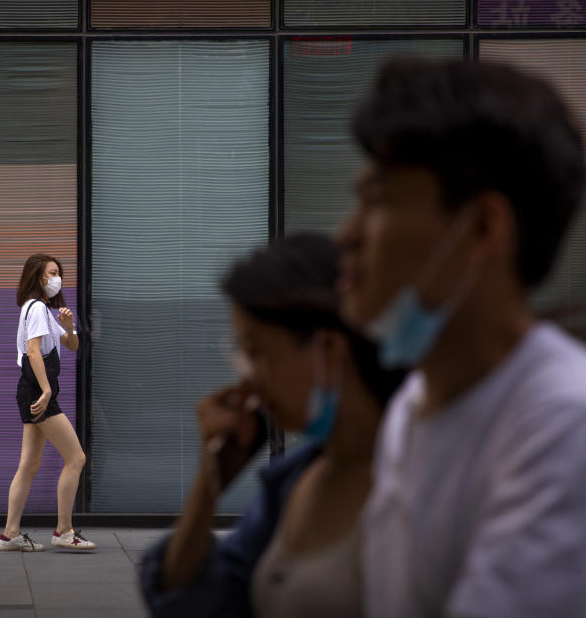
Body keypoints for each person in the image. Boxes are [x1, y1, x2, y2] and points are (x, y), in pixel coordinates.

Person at [337, 59, 586, 617]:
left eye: (380, 201)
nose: (348, 235)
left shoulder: (569, 419)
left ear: (484, 226)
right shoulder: (415, 403)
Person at [140, 234, 407, 617]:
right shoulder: (291, 483)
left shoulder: (418, 476)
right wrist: (209, 483)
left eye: (256, 351)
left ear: (328, 349)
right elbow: (185, 601)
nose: (247, 378)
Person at [0, 253, 96, 552]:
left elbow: (71, 344)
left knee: (29, 464)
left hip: (31, 390)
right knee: (76, 458)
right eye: (53, 273)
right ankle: (64, 531)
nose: (58, 278)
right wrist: (47, 391)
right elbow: (33, 351)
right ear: (39, 276)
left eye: (58, 273)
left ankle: (10, 535)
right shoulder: (38, 307)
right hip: (38, 392)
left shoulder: (39, 310)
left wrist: (70, 325)